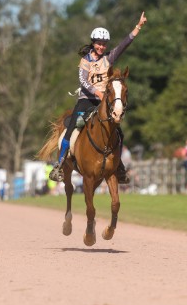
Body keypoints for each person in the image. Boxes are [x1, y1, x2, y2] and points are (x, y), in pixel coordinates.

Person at [49, 12, 148, 183]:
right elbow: (82, 81)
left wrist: (138, 26)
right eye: (99, 43)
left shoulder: (108, 58)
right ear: (93, 43)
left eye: (104, 44)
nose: (102, 47)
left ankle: (120, 167)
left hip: (104, 102)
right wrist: (97, 92)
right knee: (72, 127)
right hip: (86, 100)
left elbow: (125, 44)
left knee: (118, 131)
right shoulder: (85, 61)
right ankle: (59, 164)